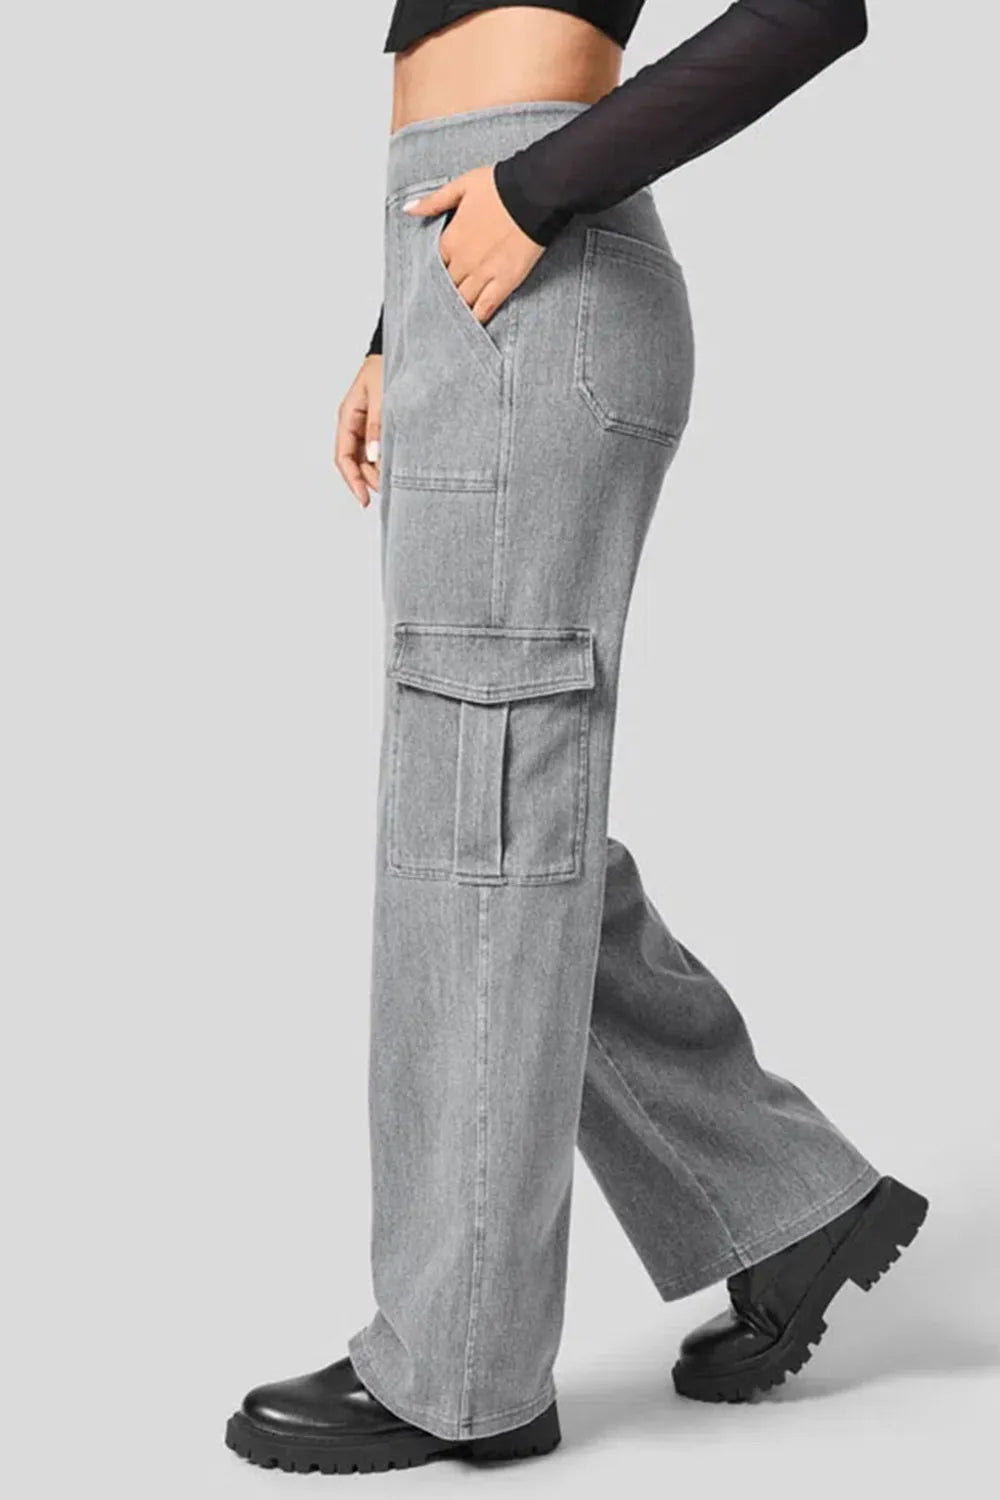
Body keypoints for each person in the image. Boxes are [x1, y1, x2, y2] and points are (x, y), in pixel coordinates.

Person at [225, 2, 927, 1477]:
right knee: (491, 817)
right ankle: (786, 1201)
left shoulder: (538, 199)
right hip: (468, 270)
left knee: (479, 819)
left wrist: (535, 192)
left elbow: (816, 10)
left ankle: (461, 1372)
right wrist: (397, 321)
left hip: (536, 258)